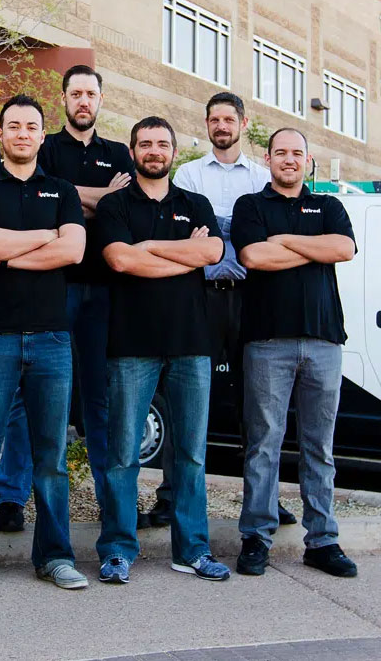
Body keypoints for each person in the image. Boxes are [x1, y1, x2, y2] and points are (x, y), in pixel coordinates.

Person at [0, 94, 86, 593]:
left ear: (42, 135)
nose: (23, 133)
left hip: (51, 338)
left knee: (51, 459)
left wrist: (8, 251)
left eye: (31, 126)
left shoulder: (63, 190)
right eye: (13, 126)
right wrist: (43, 239)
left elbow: (74, 249)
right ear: (0, 134)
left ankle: (55, 556)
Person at [95, 116, 230, 585]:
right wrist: (178, 253)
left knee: (191, 454)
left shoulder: (196, 203)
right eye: (145, 144)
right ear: (132, 152)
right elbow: (119, 259)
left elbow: (211, 254)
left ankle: (191, 549)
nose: (154, 151)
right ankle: (117, 550)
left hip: (191, 345)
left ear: (175, 152)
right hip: (131, 346)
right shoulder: (115, 206)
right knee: (123, 454)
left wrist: (148, 249)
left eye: (162, 144)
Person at [0, 65, 134, 524]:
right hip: (47, 287)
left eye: (90, 94)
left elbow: (122, 209)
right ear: (64, 99)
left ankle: (108, 498)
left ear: (100, 99)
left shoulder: (119, 153)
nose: (83, 102)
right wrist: (98, 196)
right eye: (75, 94)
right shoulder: (45, 147)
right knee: (23, 394)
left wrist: (73, 200)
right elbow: (49, 198)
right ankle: (13, 498)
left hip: (104, 292)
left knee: (99, 397)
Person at [155, 92, 296, 528]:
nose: (221, 126)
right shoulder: (190, 174)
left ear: (242, 122)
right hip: (199, 296)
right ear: (207, 124)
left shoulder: (261, 176)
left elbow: (257, 238)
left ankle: (265, 498)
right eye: (214, 119)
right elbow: (194, 240)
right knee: (184, 397)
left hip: (252, 298)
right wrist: (230, 237)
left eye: (228, 119)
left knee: (256, 403)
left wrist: (221, 235)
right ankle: (169, 493)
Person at [231, 128, 358, 578]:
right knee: (263, 443)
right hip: (268, 342)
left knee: (319, 446)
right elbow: (253, 257)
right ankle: (256, 538)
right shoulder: (251, 206)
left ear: (309, 161)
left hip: (324, 341)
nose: (289, 159)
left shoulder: (330, 206)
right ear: (267, 158)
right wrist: (313, 248)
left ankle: (322, 541)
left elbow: (343, 247)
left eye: (297, 154)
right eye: (281, 152)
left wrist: (284, 240)